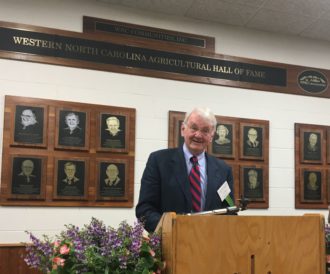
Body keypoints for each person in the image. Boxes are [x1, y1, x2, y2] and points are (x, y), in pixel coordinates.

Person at [136, 107, 235, 232]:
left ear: (211, 136)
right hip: (171, 243)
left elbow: (230, 210)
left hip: (211, 244)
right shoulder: (158, 161)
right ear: (183, 129)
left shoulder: (223, 170)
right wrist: (172, 230)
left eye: (205, 130)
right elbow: (145, 209)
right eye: (193, 128)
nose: (198, 135)